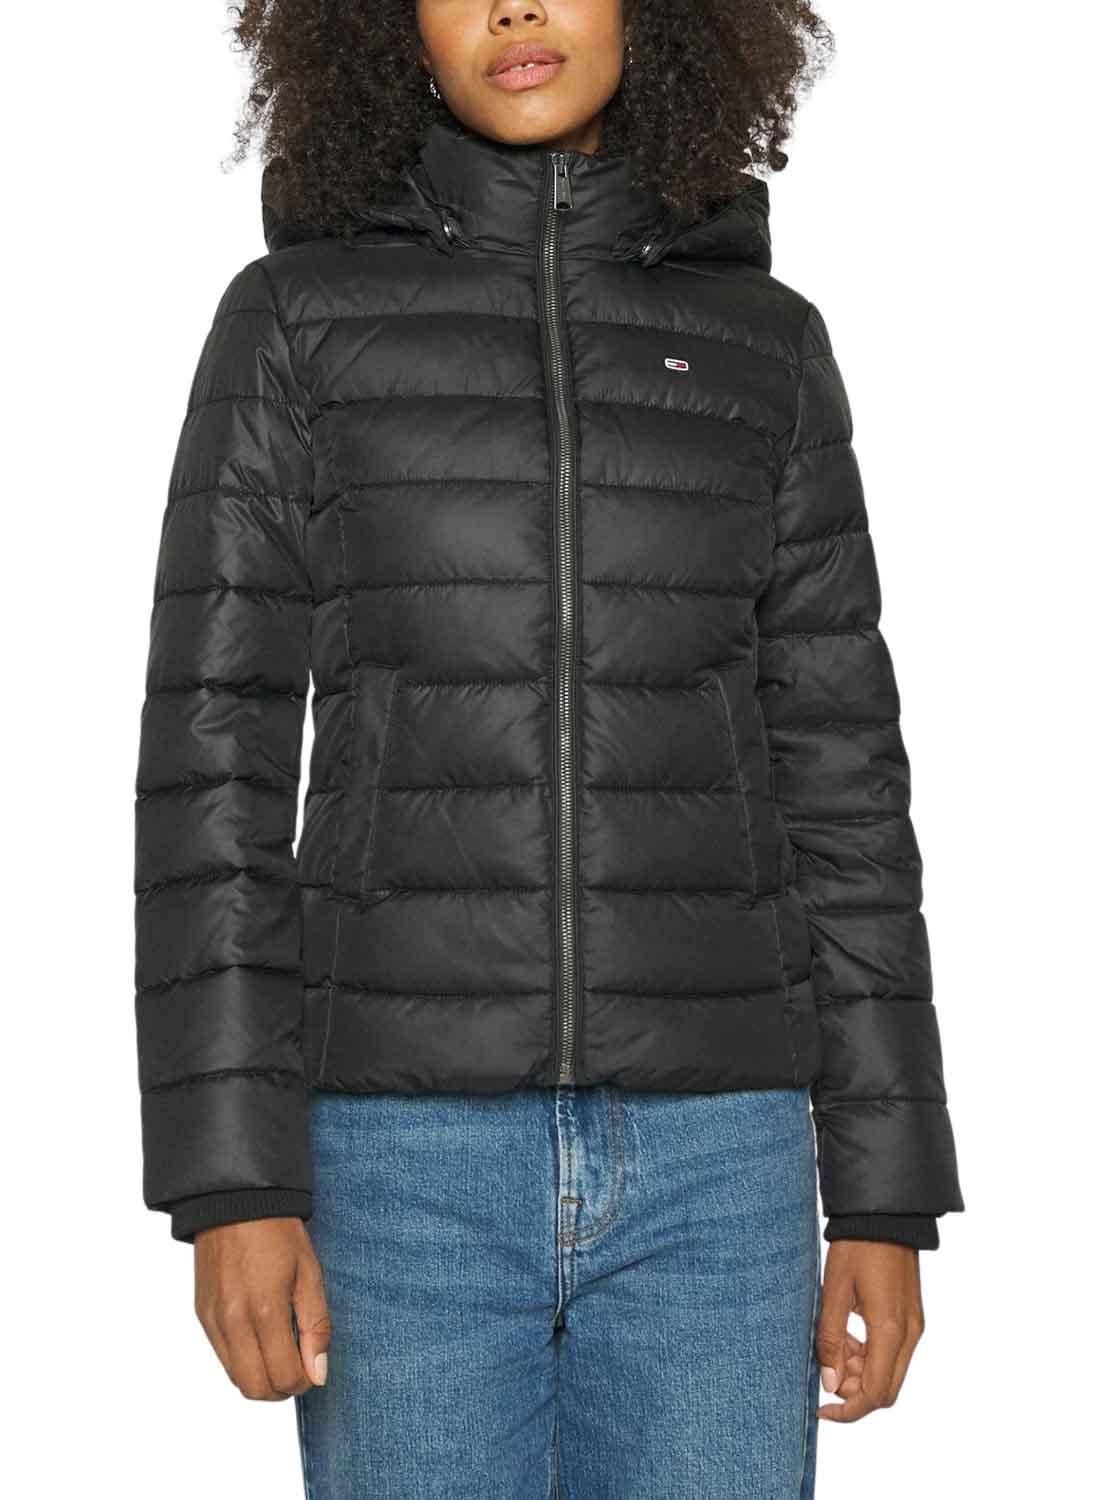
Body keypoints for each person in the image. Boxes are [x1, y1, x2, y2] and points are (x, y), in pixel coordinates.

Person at [133, 3, 965, 1495]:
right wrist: (231, 1182)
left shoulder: (766, 349)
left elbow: (842, 779)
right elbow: (212, 768)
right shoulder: (299, 324)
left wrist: (886, 1198)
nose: (516, 7)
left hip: (721, 1167)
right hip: (399, 1164)